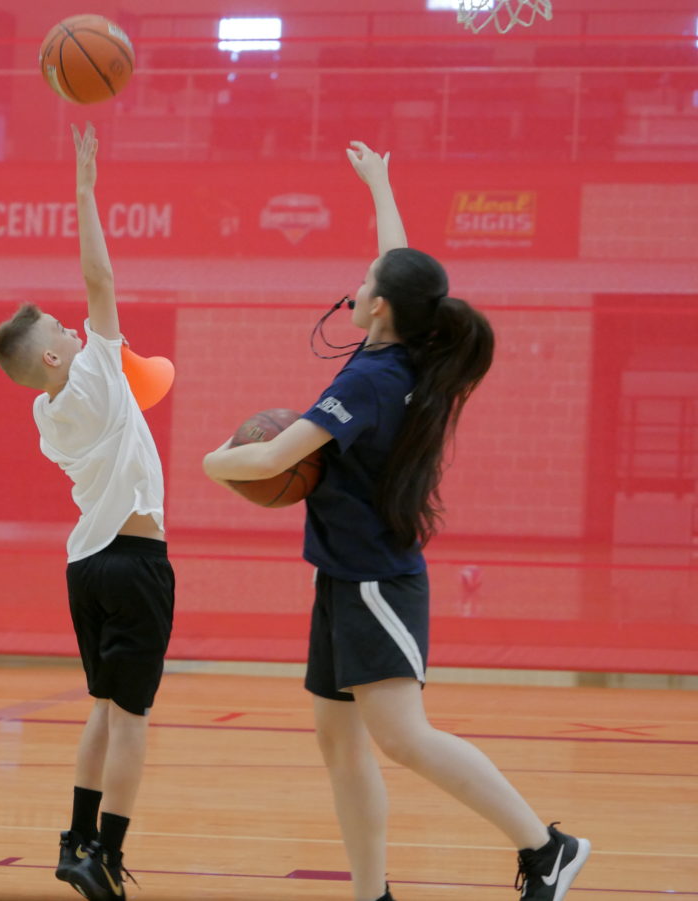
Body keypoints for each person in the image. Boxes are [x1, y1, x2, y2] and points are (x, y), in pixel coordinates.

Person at [201, 141, 589, 901]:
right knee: (339, 742)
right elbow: (399, 264)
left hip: (375, 580)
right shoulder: (403, 348)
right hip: (346, 572)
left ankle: (546, 845)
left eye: (367, 281)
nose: (359, 280)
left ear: (378, 305)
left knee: (402, 737)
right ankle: (371, 893)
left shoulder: (376, 379)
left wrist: (212, 462)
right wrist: (379, 182)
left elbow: (276, 453)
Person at [0, 122, 174, 901]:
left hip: (84, 567)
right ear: (58, 355)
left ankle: (75, 838)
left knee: (102, 707)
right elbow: (99, 274)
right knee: (131, 718)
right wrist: (85, 188)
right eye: (62, 328)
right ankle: (106, 855)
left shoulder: (46, 414)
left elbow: (93, 305)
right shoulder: (95, 369)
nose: (77, 322)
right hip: (133, 563)